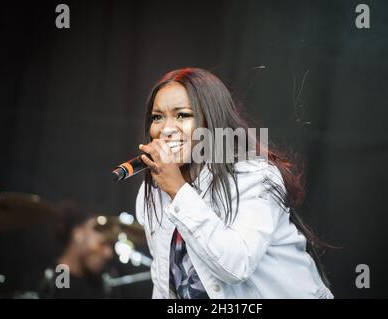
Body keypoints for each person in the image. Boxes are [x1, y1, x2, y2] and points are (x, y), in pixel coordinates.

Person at [135, 67, 333, 299]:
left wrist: (178, 191)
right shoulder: (153, 190)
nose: (166, 129)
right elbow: (165, 282)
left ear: (212, 121)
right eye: (157, 117)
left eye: (183, 115)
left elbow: (236, 267)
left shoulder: (256, 176)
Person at [38, 201, 115, 298]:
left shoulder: (101, 283)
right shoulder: (55, 279)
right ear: (79, 234)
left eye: (111, 244)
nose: (109, 253)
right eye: (102, 243)